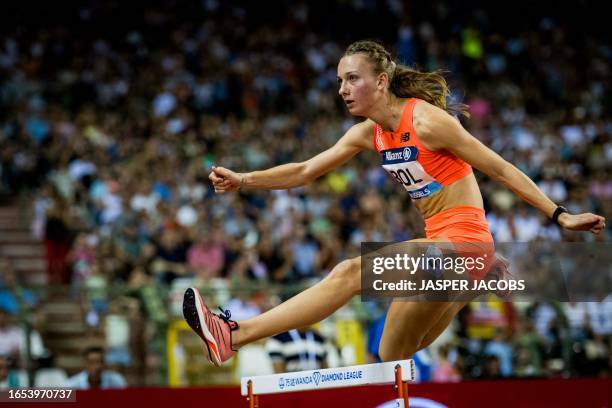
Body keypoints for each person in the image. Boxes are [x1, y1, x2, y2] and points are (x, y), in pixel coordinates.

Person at [182, 40, 606, 366]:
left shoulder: (425, 120)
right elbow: (306, 170)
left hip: (464, 247)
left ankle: (233, 335)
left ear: (381, 81)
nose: (343, 90)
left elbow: (500, 169)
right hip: (450, 256)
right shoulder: (370, 132)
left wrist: (559, 214)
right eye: (339, 82)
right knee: (391, 360)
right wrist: (243, 179)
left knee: (351, 272)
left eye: (352, 79)